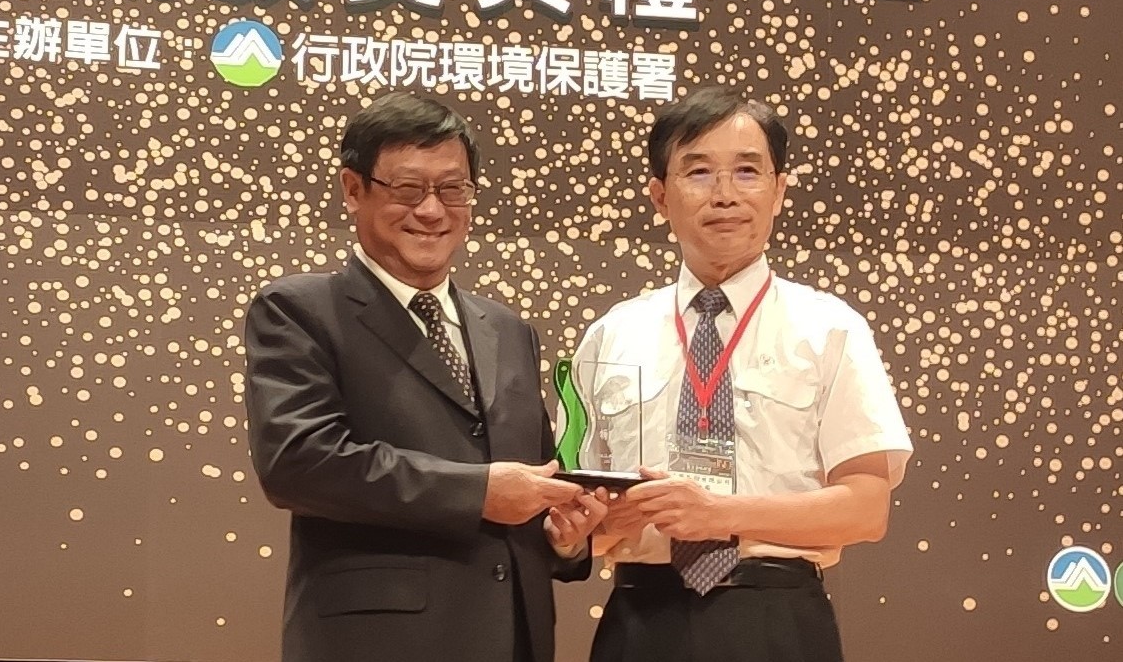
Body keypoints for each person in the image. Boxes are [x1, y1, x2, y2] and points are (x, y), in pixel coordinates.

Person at [245, 91, 606, 662]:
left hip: (515, 640)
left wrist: (564, 537)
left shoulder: (508, 329)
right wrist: (478, 492)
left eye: (453, 189)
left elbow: (532, 481)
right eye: (408, 189)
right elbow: (300, 463)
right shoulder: (300, 310)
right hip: (376, 645)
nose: (433, 211)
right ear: (353, 189)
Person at [571, 85, 912, 662]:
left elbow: (865, 509)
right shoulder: (611, 335)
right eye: (699, 172)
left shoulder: (831, 328)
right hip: (640, 618)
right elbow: (582, 521)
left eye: (748, 171)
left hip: (777, 617)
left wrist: (718, 513)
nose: (725, 195)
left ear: (780, 191)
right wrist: (597, 523)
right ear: (660, 196)